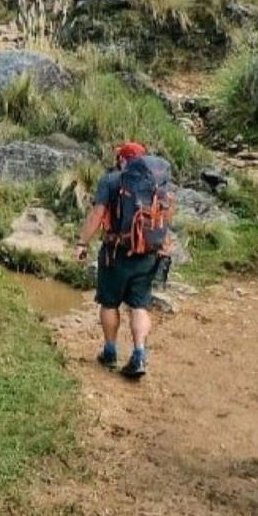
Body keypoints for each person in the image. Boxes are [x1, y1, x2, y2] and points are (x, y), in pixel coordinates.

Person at [76, 142, 174, 380]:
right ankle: (139, 354)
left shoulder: (111, 181)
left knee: (109, 303)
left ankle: (110, 352)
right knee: (139, 305)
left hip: (116, 254)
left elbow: (97, 215)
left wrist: (82, 243)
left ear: (122, 160)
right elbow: (167, 217)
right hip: (148, 254)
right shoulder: (157, 183)